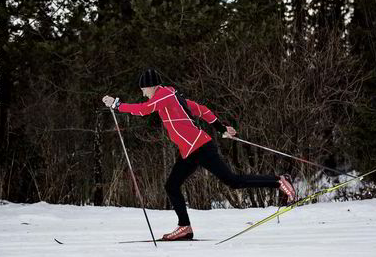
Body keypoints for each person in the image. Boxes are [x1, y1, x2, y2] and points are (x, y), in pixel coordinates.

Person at [102, 68, 295, 241]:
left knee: (233, 181)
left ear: (151, 86)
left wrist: (117, 105)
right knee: (171, 185)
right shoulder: (172, 98)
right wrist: (221, 128)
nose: (143, 93)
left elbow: (144, 110)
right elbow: (201, 110)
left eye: (143, 89)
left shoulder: (164, 94)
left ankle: (279, 181)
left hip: (201, 147)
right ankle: (184, 227)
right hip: (189, 152)